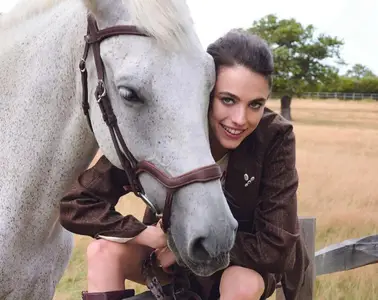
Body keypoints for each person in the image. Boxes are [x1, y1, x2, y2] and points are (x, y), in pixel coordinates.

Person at [60, 29, 309, 300]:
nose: (240, 118)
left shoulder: (274, 137)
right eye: (228, 100)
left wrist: (179, 247)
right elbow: (77, 204)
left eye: (256, 105)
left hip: (241, 264)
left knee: (242, 283)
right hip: (171, 265)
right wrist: (142, 233)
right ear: (205, 91)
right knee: (102, 251)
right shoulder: (169, 128)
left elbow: (276, 248)